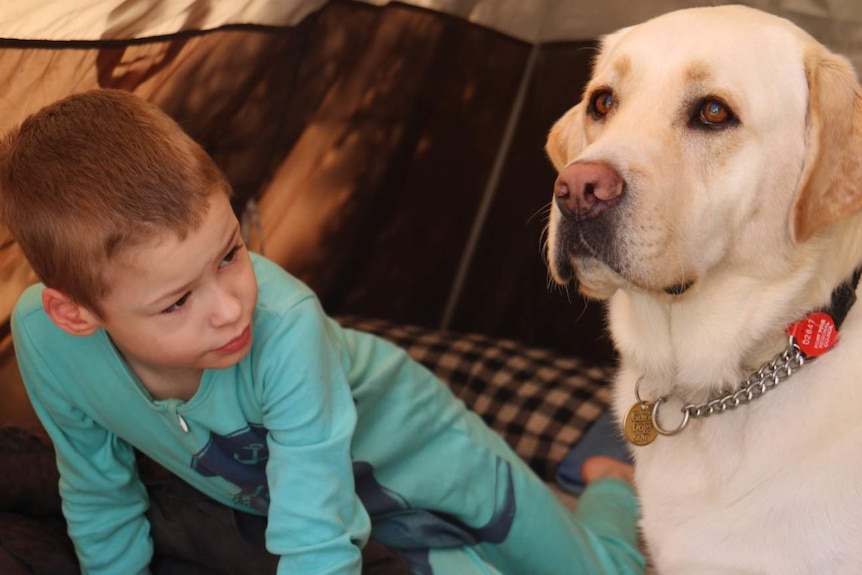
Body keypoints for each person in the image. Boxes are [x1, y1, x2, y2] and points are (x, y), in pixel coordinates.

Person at [0, 89, 644, 575]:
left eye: (230, 255)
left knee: (589, 571)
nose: (229, 309)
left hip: (426, 454)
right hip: (340, 502)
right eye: (177, 302)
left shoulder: (283, 328)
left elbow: (314, 537)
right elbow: (97, 490)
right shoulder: (48, 343)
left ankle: (608, 482)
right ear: (75, 313)